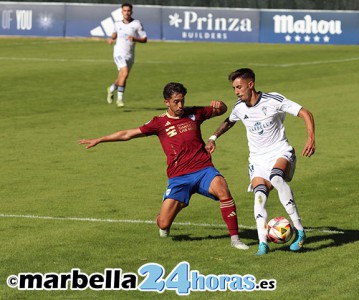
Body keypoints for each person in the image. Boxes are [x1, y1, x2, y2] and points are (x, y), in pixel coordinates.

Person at [80, 82, 249, 250]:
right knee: (163, 223)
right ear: (166, 102)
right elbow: (128, 134)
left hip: (203, 169)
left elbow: (222, 110)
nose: (180, 105)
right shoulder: (159, 123)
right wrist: (100, 139)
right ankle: (163, 216)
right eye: (176, 101)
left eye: (182, 100)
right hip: (179, 177)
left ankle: (235, 239)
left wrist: (220, 104)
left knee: (224, 191)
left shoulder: (194, 113)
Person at [206, 68, 315, 255]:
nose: (236, 92)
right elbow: (230, 121)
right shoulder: (240, 107)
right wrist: (213, 137)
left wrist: (311, 138)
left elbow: (305, 113)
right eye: (234, 88)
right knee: (259, 196)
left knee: (277, 177)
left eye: (239, 87)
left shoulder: (273, 100)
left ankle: (300, 231)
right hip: (257, 160)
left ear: (251, 84)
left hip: (281, 151)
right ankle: (263, 243)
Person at [106, 3, 147, 108]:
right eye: (124, 10)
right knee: (124, 72)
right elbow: (115, 34)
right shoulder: (117, 24)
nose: (126, 13)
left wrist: (135, 39)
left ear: (131, 12)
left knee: (122, 77)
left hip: (130, 55)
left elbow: (144, 39)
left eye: (128, 11)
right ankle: (120, 100)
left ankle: (111, 89)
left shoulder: (137, 24)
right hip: (118, 53)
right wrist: (112, 39)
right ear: (122, 12)